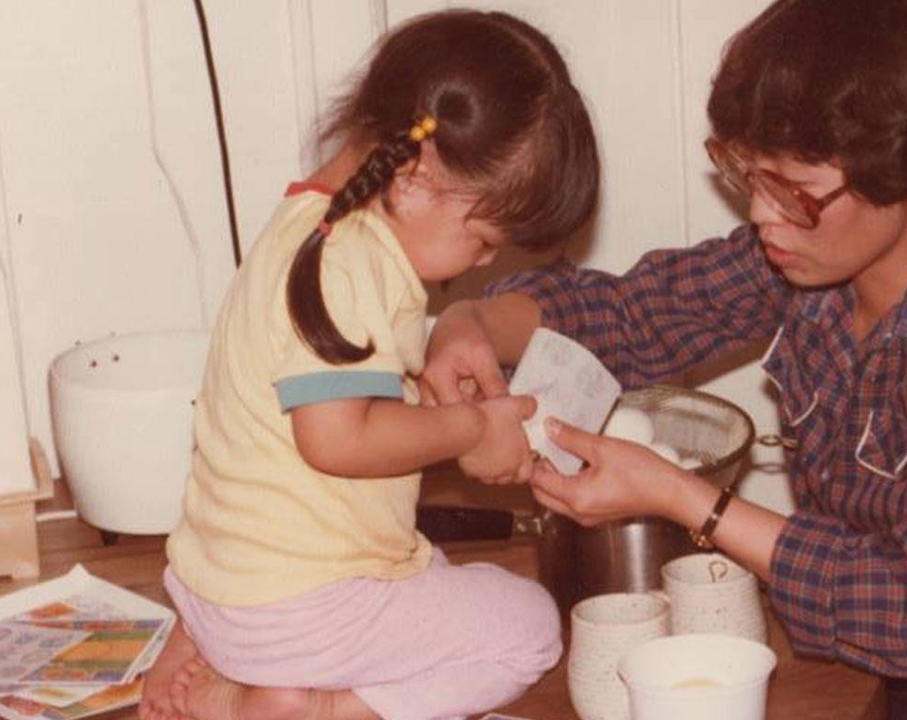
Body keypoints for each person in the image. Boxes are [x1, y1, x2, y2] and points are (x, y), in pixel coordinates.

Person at [422, 1, 907, 718]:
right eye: (746, 175)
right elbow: (634, 314)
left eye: (795, 191)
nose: (760, 215)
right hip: (851, 663)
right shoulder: (803, 262)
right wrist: (475, 321)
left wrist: (678, 494)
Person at [137, 10, 600, 720]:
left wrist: (427, 395)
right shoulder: (354, 266)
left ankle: (243, 660)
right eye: (483, 242)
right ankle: (297, 707)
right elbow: (336, 439)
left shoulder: (312, 227)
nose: (483, 264)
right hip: (292, 604)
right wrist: (471, 429)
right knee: (528, 629)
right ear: (413, 180)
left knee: (433, 573)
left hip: (220, 577)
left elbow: (324, 409)